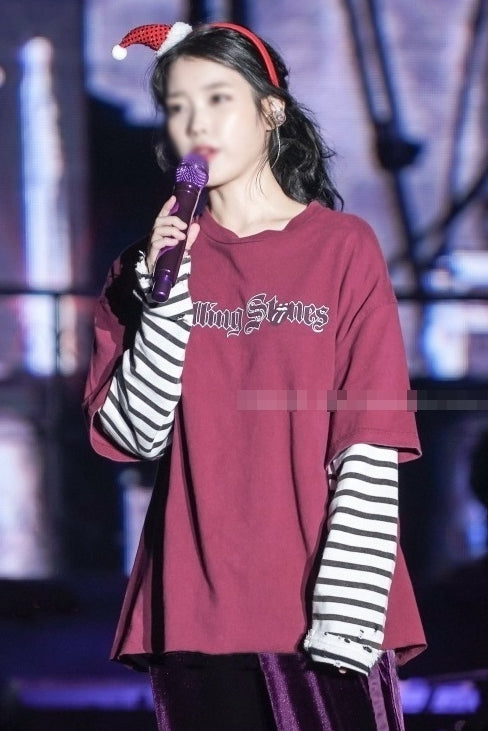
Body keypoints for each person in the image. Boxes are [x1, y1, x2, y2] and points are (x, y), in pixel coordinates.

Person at [84, 20, 426, 731]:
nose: (195, 122)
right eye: (178, 106)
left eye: (218, 98)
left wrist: (347, 619)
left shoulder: (342, 248)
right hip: (196, 612)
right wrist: (163, 298)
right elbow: (136, 433)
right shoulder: (145, 270)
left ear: (271, 110)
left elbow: (369, 436)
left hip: (322, 614)